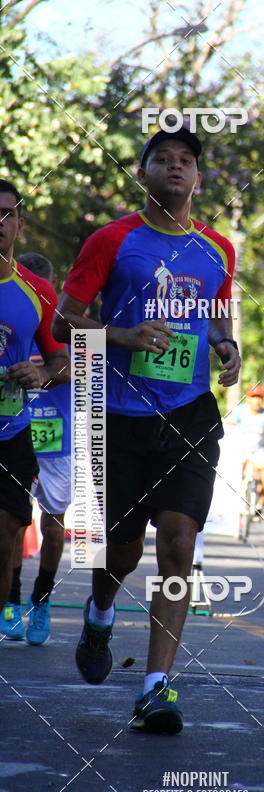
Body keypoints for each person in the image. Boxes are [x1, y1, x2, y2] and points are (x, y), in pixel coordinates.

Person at [53, 126, 241, 734]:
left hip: (189, 412)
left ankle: (157, 686)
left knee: (180, 543)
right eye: (163, 160)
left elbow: (217, 315)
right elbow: (63, 322)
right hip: (121, 416)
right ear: (145, 174)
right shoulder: (112, 240)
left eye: (186, 161)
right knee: (124, 547)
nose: (176, 169)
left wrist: (227, 346)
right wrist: (121, 335)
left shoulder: (217, 249)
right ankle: (101, 609)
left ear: (199, 178)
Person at [0, 181, 70, 640]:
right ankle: (13, 601)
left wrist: (44, 375)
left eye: (7, 215)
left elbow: (73, 357)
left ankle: (33, 599)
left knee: (36, 521)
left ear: (20, 225)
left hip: (34, 427)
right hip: (28, 425)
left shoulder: (42, 295)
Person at [227, 384, 264, 517]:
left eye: (259, 397)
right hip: (241, 449)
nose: (256, 400)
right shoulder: (239, 411)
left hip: (261, 451)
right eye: (253, 397)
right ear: (248, 398)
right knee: (236, 472)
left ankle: (259, 505)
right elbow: (228, 425)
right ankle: (237, 501)